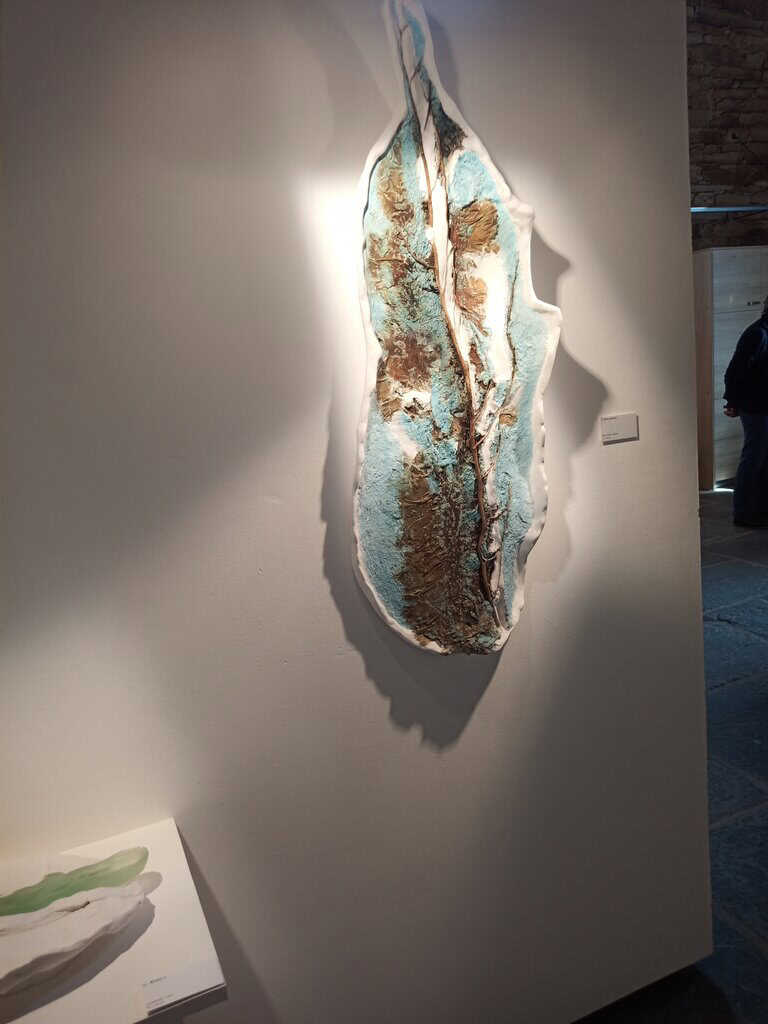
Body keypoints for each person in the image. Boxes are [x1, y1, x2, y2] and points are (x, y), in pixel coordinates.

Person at [723, 294, 768, 527]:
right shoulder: (757, 334)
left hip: (763, 404)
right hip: (756, 407)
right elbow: (735, 371)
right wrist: (732, 402)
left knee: (762, 458)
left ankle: (760, 509)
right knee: (754, 457)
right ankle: (743, 512)